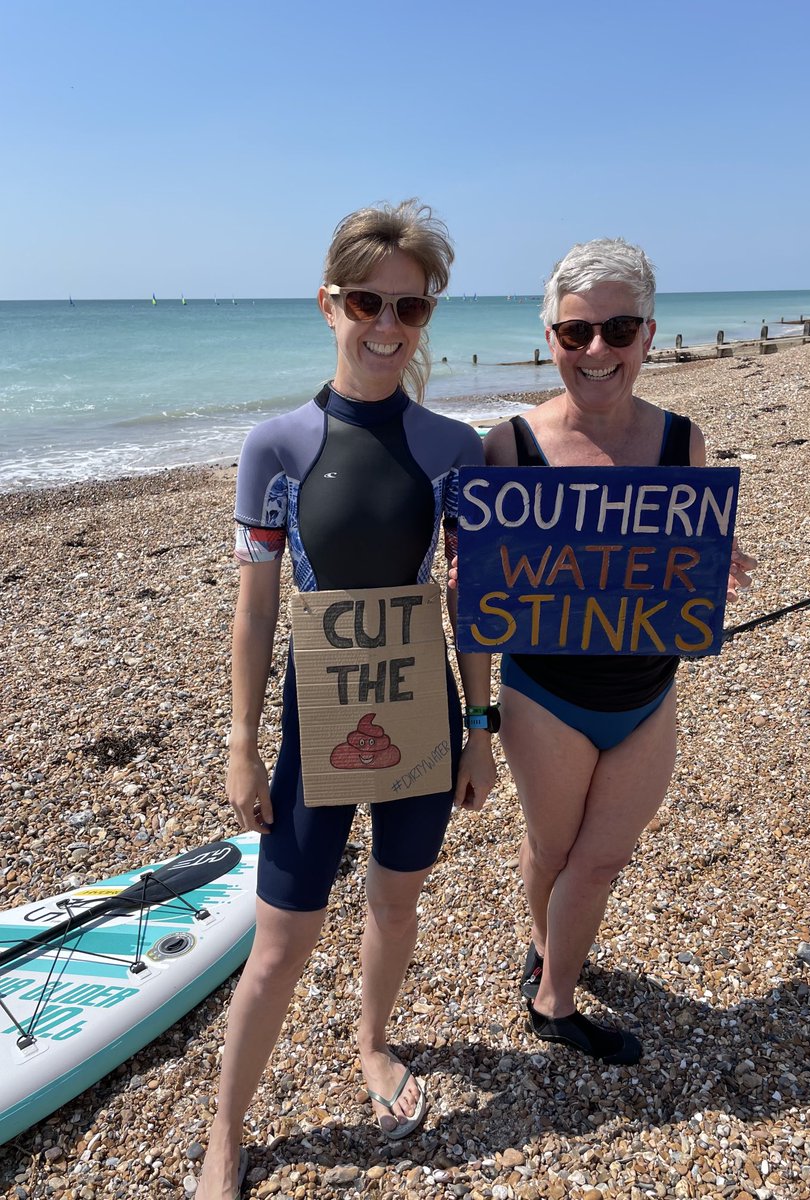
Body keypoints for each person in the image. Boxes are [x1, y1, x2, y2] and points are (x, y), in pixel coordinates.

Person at [197, 200, 496, 1200]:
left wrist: (480, 728)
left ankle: (372, 1043)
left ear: (427, 318)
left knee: (395, 902)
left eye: (411, 307)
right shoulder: (276, 447)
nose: (387, 325)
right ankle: (226, 1131)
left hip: (423, 716)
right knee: (281, 939)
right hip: (314, 720)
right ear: (328, 303)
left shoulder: (456, 447)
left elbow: (471, 601)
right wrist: (242, 744)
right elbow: (254, 613)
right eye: (368, 301)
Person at [481, 238, 756, 1065]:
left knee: (599, 862)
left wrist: (713, 563)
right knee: (551, 850)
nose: (597, 349)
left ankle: (553, 992)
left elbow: (677, 570)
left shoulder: (683, 442)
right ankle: (548, 963)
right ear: (552, 340)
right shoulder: (509, 447)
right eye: (576, 332)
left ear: (649, 335)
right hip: (546, 695)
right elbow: (488, 586)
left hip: (647, 695)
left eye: (619, 329)